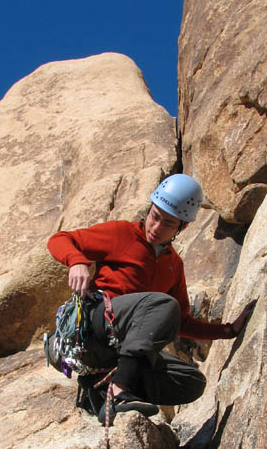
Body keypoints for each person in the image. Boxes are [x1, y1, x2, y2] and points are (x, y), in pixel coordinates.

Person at [47, 174, 255, 423]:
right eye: (155, 216)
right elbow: (59, 239)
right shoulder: (121, 233)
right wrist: (77, 261)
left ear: (182, 228)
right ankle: (120, 391)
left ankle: (99, 393)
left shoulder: (173, 265)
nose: (156, 228)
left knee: (190, 381)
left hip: (119, 348)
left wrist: (228, 331)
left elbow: (180, 322)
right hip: (95, 328)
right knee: (163, 304)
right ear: (149, 209)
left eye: (168, 223)